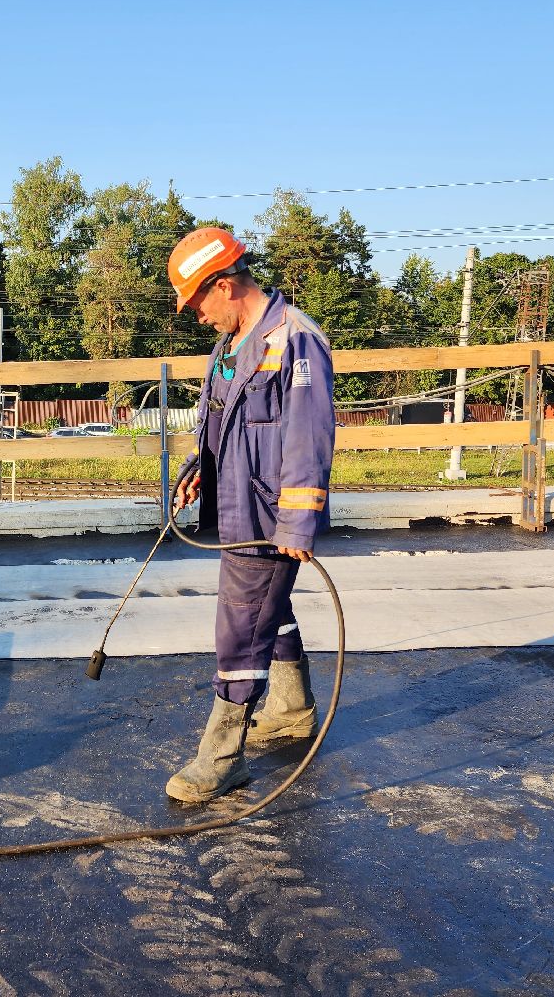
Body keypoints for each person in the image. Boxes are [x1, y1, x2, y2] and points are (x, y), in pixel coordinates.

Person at [164, 227, 336, 803]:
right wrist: (197, 468)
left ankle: (222, 755)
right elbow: (214, 426)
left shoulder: (295, 340)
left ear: (225, 284)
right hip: (237, 507)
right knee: (269, 607)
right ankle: (289, 707)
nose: (196, 315)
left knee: (240, 626)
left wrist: (297, 523)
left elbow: (308, 438)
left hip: (269, 513)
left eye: (196, 302)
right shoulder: (231, 347)